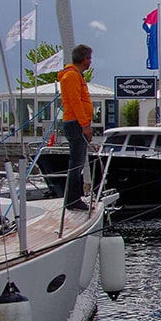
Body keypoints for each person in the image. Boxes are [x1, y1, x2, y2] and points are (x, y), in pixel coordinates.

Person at [59, 44, 94, 210]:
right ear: (84, 58)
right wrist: (85, 125)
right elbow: (75, 102)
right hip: (76, 124)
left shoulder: (74, 75)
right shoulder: (72, 76)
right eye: (89, 58)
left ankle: (74, 198)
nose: (90, 62)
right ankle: (73, 200)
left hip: (76, 123)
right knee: (76, 163)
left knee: (78, 163)